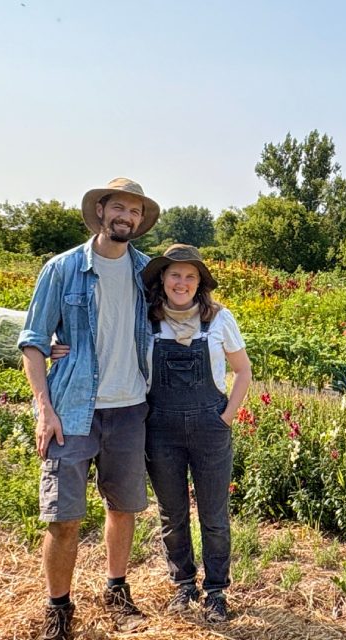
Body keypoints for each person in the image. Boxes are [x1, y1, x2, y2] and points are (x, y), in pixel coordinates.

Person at [52, 243, 252, 623]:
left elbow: (243, 371)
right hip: (160, 429)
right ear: (163, 279)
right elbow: (104, 333)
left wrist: (226, 417)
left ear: (200, 283)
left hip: (210, 430)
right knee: (172, 514)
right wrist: (58, 344)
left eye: (190, 276)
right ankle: (183, 585)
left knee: (214, 515)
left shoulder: (219, 319)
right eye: (175, 274)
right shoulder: (146, 319)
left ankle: (215, 591)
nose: (182, 282)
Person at [18, 177, 159, 640]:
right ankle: (58, 610)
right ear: (100, 211)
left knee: (124, 508)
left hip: (130, 408)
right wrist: (44, 408)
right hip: (73, 411)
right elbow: (33, 342)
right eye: (119, 207)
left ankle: (116, 592)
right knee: (64, 517)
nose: (126, 217)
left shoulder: (147, 274)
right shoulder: (62, 269)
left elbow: (183, 309)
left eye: (135, 211)